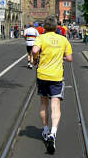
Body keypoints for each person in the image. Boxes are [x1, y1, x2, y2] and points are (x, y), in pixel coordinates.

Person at [32, 15, 72, 154]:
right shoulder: (63, 39)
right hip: (56, 76)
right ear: (56, 27)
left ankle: (45, 130)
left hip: (42, 75)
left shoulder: (41, 38)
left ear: (44, 27)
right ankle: (53, 133)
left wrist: (35, 60)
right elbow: (69, 58)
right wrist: (60, 55)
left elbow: (35, 50)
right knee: (55, 105)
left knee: (43, 103)